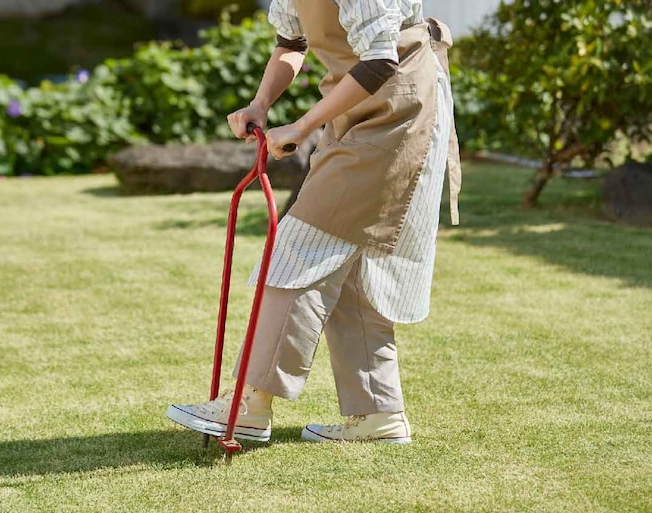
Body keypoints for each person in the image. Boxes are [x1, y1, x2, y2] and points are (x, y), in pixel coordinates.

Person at [166, 0, 461, 444]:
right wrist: (261, 103)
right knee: (353, 264)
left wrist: (302, 126)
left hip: (400, 113)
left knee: (300, 249)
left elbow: (379, 60)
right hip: (355, 109)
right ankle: (379, 414)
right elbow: (292, 40)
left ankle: (250, 404)